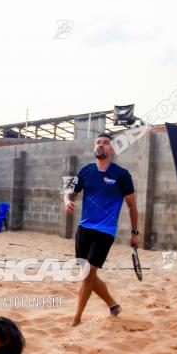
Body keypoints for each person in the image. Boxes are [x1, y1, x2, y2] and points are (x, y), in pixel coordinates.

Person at [63, 132, 139, 326]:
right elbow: (70, 193)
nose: (101, 145)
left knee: (89, 273)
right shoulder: (85, 171)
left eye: (105, 143)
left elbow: (132, 205)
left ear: (112, 149)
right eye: (98, 143)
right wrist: (67, 201)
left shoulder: (121, 175)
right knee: (88, 274)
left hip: (105, 231)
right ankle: (113, 305)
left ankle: (77, 318)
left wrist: (135, 232)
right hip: (84, 228)